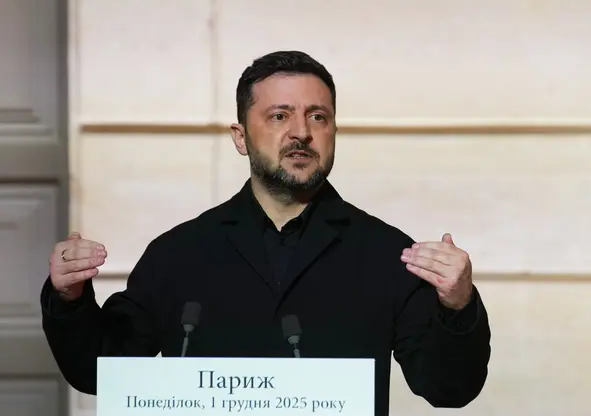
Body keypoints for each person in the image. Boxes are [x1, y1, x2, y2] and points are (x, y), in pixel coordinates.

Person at [40, 50, 491, 415]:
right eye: (279, 116)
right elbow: (101, 371)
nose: (301, 133)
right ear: (240, 137)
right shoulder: (179, 253)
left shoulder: (386, 253)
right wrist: (70, 299)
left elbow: (448, 389)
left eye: (318, 117)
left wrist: (458, 305)